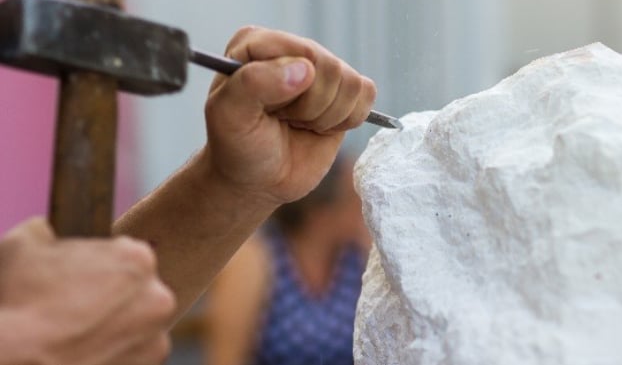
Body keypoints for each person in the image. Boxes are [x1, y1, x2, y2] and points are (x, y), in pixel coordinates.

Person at [0, 26, 377, 365]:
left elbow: (77, 321)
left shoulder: (349, 260)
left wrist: (234, 183)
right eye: (353, 193)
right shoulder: (262, 261)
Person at [205, 155, 370, 365]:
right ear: (319, 214)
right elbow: (225, 360)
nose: (364, 205)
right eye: (353, 197)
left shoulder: (357, 253)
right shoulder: (257, 257)